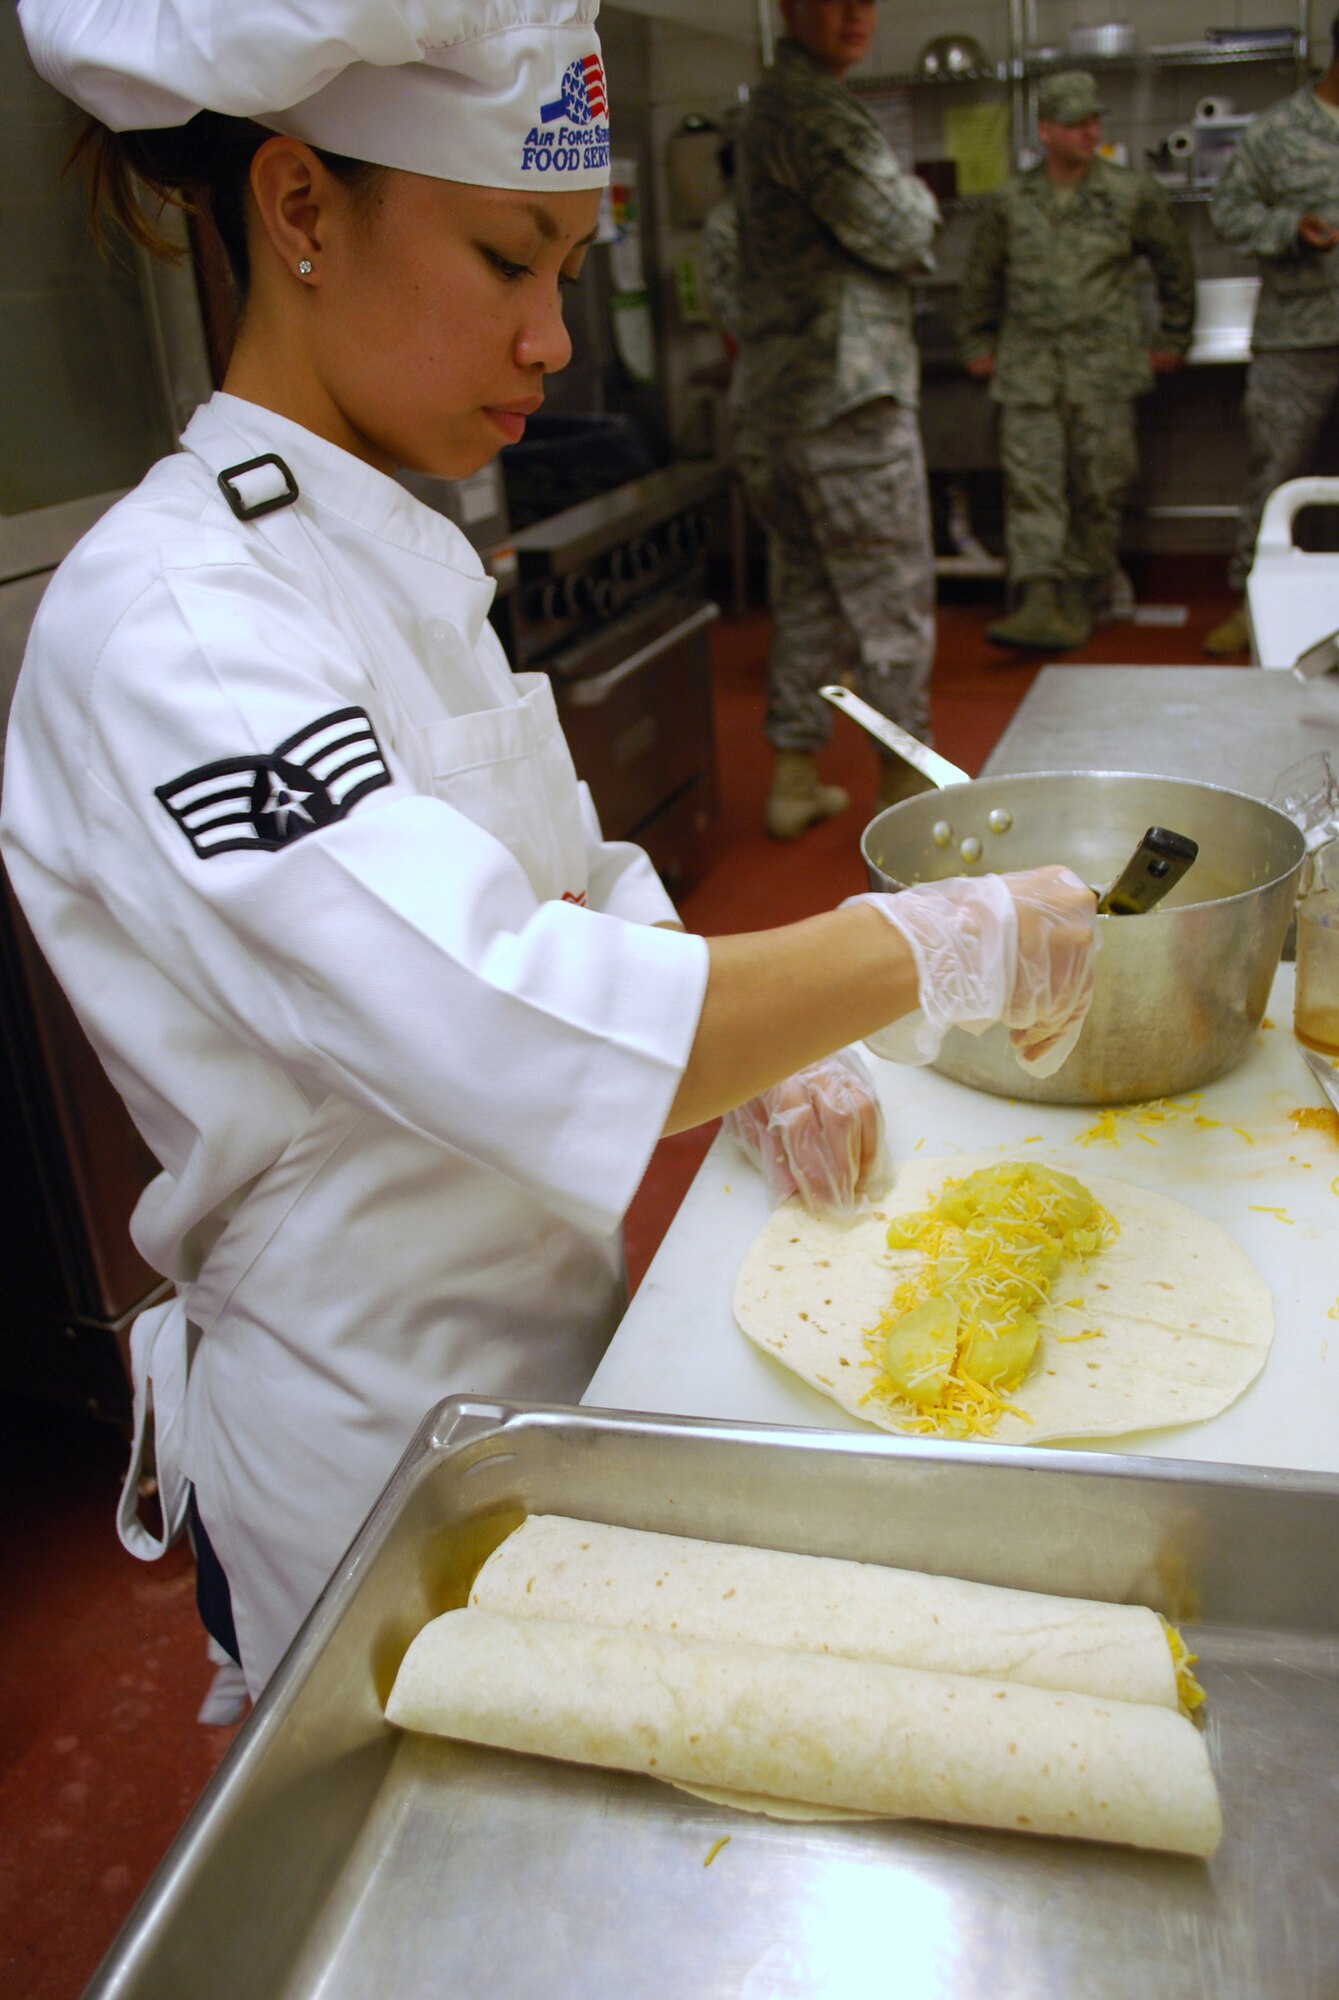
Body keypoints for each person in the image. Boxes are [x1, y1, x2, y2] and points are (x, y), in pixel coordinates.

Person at [3, 0, 1100, 1698]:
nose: (547, 341)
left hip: (559, 1363)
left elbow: (564, 874)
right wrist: (925, 947)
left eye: (565, 277)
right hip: (374, 1456)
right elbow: (493, 1010)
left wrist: (740, 1045)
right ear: (297, 212)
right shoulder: (180, 625)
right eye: (508, 261)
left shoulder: (394, 551)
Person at [731, 0, 942, 840]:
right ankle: (904, 789)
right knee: (890, 601)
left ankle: (791, 778)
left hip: (783, 404)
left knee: (811, 596)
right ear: (789, 8)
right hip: (846, 400)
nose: (856, 14)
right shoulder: (814, 110)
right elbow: (903, 228)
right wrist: (917, 202)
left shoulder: (773, 105)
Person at [958, 71, 1195, 653]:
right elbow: (980, 279)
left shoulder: (1130, 193)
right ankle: (1037, 599)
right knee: (1032, 486)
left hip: (1104, 365)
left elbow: (1175, 264)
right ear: (1046, 132)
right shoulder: (1012, 202)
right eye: (1077, 123)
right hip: (1029, 366)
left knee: (1099, 485)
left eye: (1095, 120)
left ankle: (1079, 600)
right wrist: (976, 342)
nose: (1091, 131)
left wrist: (1173, 334)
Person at [1205, 16, 1339, 657]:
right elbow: (1227, 210)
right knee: (1278, 474)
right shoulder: (1278, 132)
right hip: (1298, 338)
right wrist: (1290, 227)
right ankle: (1251, 603)